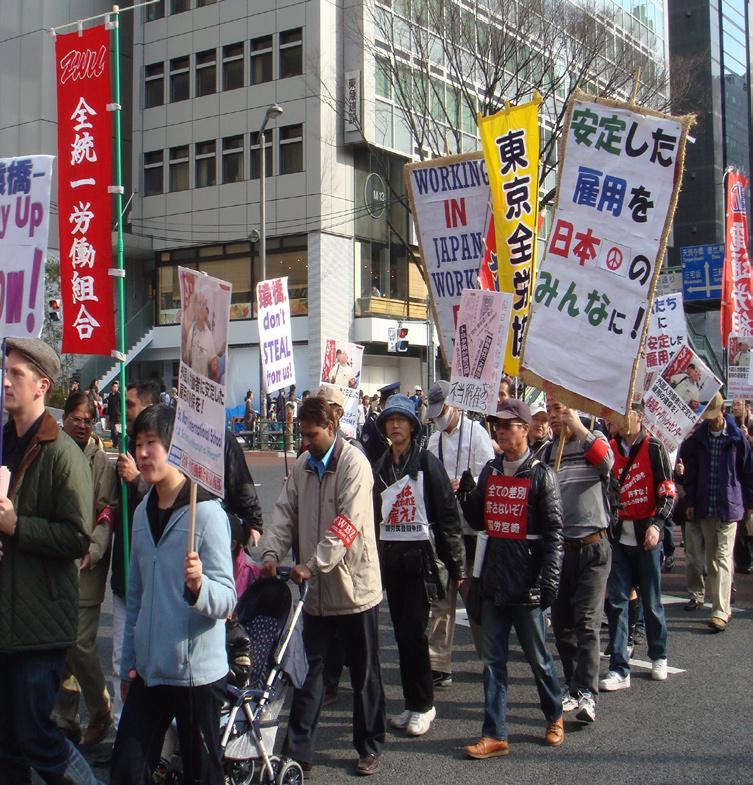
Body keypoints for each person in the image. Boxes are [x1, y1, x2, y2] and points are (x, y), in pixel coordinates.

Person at [259, 396, 386, 776]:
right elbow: (284, 514)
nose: (306, 441)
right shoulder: (302, 466)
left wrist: (312, 565)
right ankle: (297, 751)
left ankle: (369, 746)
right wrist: (270, 553)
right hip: (315, 595)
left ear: (332, 429)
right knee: (309, 673)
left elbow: (348, 524)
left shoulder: (355, 465)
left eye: (313, 434)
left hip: (354, 590)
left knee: (364, 674)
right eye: (303, 434)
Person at [111, 405, 236, 785]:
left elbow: (228, 599)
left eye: (152, 443)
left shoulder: (209, 514)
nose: (143, 453)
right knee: (127, 769)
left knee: (202, 774)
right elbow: (135, 597)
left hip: (196, 675)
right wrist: (128, 665)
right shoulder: (142, 511)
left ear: (176, 447)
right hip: (150, 672)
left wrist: (200, 587)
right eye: (138, 444)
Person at [0, 338, 101, 785]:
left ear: (42, 386)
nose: (5, 380)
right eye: (5, 371)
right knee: (5, 742)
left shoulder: (63, 454)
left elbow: (77, 537)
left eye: (16, 374)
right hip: (6, 618)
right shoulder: (3, 443)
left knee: (38, 734)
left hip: (40, 625)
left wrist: (17, 526)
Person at [459, 398, 565, 758]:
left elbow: (554, 533)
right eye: (497, 426)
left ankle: (554, 715)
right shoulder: (490, 471)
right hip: (495, 581)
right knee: (492, 663)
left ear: (524, 429)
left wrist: (549, 579)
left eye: (507, 425)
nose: (500, 431)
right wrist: (467, 497)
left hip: (527, 584)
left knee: (538, 659)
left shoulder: (541, 474)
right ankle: (495, 732)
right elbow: (478, 522)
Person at [373, 394, 466, 737]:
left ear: (412, 425)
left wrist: (457, 567)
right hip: (392, 562)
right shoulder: (382, 465)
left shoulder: (427, 463)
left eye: (401, 419)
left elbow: (448, 518)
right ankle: (413, 703)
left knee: (414, 634)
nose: (395, 425)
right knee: (401, 635)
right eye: (390, 420)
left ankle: (425, 705)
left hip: (421, 562)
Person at [53, 392, 119, 748]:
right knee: (61, 642)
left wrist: (92, 551)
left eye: (88, 419)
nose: (81, 425)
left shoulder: (102, 464)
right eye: (76, 418)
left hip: (87, 565)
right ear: (64, 418)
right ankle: (64, 718)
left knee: (79, 642)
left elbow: (107, 512)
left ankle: (99, 708)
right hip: (54, 562)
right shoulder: (51, 453)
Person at [544, 400, 613, 723]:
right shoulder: (547, 453)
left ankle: (587, 692)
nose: (555, 416)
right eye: (549, 410)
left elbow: (607, 463)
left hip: (593, 546)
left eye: (559, 409)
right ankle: (573, 686)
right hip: (561, 549)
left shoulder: (592, 440)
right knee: (562, 627)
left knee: (587, 622)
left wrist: (582, 428)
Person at [600, 402, 675, 692]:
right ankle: (619, 667)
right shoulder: (610, 448)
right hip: (619, 535)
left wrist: (657, 525)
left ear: (638, 417)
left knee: (651, 600)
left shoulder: (654, 448)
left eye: (625, 413)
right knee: (617, 602)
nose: (617, 419)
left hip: (647, 535)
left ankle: (659, 654)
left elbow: (667, 492)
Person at [425, 380, 494, 686]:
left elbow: (489, 474)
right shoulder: (433, 441)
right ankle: (439, 663)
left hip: (471, 530)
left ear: (454, 405)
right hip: (443, 528)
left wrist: (469, 482)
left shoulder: (476, 432)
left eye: (442, 411)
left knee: (474, 598)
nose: (439, 419)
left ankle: (490, 657)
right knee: (441, 598)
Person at [111, 381, 162, 729]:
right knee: (120, 658)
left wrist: (137, 482)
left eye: (130, 405)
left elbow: (167, 499)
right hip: (124, 571)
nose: (124, 412)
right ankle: (120, 727)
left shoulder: (163, 454)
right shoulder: (123, 450)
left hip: (155, 574)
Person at [681, 392, 753, 631]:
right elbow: (691, 473)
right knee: (712, 559)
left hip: (729, 504)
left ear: (723, 412)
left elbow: (746, 470)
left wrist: (749, 501)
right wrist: (690, 502)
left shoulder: (736, 437)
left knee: (722, 557)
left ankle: (720, 611)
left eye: (713, 415)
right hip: (705, 504)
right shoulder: (698, 438)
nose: (710, 420)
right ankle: (721, 604)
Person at [360, 382, 399, 464]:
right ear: (382, 402)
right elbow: (365, 449)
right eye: (391, 402)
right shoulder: (373, 421)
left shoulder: (397, 421)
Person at [185, 290, 217, 378]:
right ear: (194, 308)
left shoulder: (209, 335)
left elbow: (212, 361)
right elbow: (187, 359)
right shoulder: (190, 331)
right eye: (199, 304)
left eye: (204, 305)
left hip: (203, 384)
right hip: (191, 383)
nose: (201, 308)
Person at [107, 381, 122, 450]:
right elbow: (109, 406)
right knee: (112, 430)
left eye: (116, 387)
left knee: (116, 429)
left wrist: (122, 414)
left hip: (118, 415)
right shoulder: (110, 396)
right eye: (114, 387)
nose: (115, 388)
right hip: (112, 415)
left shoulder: (119, 395)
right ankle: (114, 444)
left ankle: (117, 443)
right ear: (112, 387)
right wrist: (108, 416)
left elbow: (122, 405)